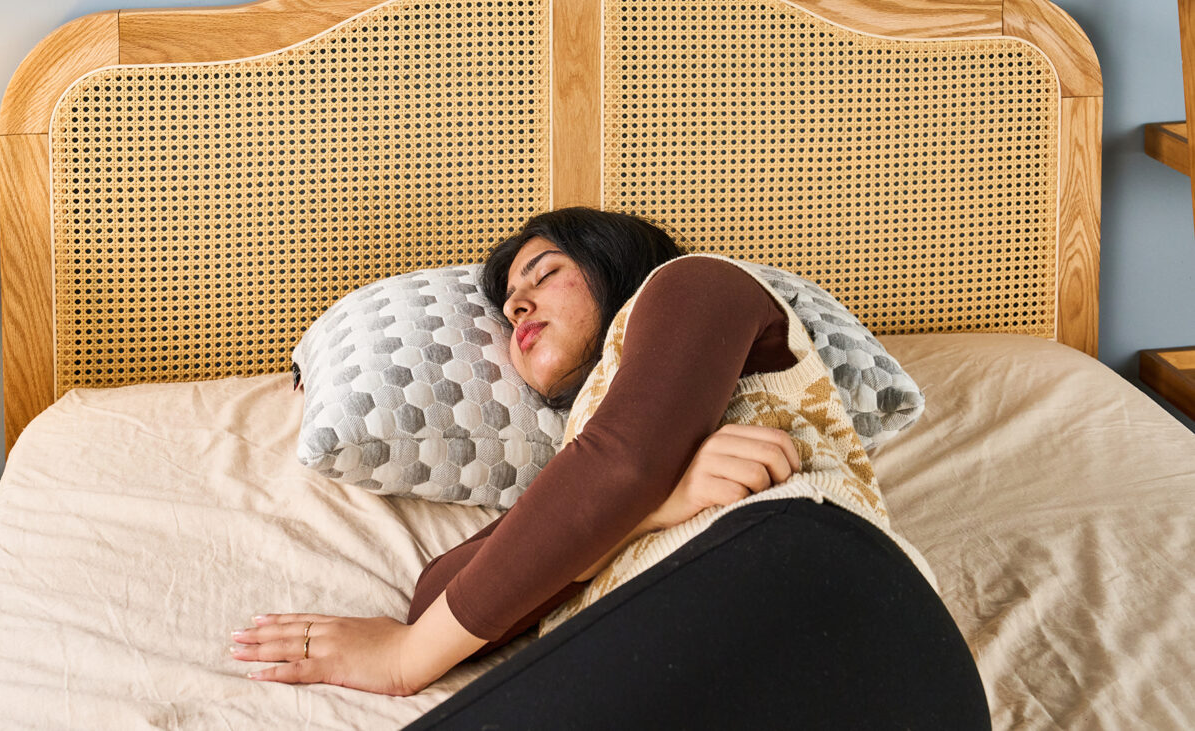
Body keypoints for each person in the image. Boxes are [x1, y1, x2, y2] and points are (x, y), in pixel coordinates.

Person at [230, 208, 990, 728]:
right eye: (508, 305)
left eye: (542, 273)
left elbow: (622, 460)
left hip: (832, 599)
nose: (518, 307)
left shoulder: (694, 285)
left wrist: (405, 659)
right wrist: (658, 507)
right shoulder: (581, 475)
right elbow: (440, 593)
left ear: (609, 261)